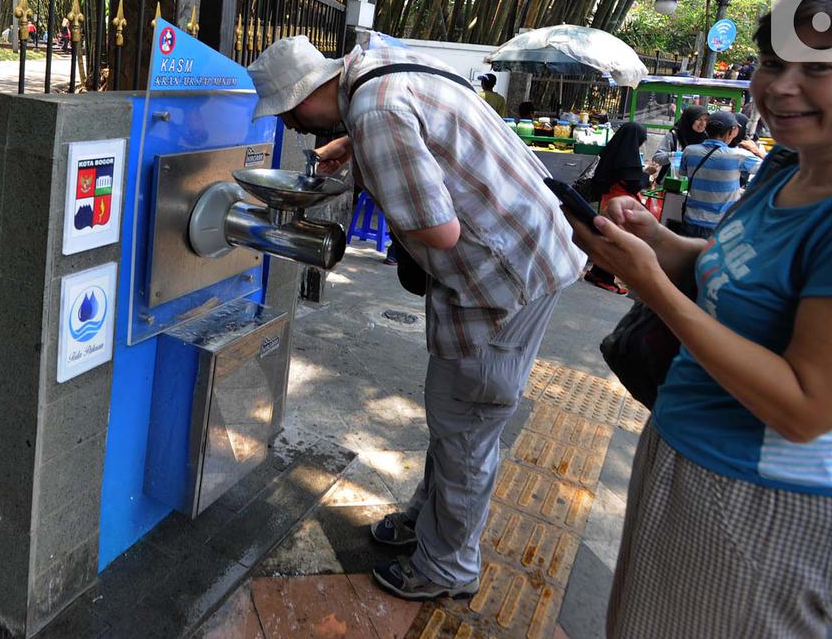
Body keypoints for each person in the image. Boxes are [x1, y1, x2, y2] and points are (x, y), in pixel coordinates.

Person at [567, 0, 832, 637]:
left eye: (819, 66)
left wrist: (652, 286)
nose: (780, 85)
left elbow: (805, 408)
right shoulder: (788, 165)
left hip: (765, 505)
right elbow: (725, 270)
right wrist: (655, 241)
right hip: (684, 451)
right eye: (773, 61)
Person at [247, 36, 586, 601]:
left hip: (502, 276)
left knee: (467, 420)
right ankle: (429, 522)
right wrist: (355, 150)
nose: (293, 128)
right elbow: (428, 129)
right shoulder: (379, 63)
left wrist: (375, 176)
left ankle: (449, 566)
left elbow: (439, 231)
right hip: (528, 245)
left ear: (307, 95)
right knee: (453, 410)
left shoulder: (373, 110)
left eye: (288, 114)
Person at [583, 122, 648, 295]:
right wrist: (647, 175)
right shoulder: (628, 158)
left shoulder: (613, 151)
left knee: (609, 237)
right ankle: (605, 278)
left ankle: (596, 272)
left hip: (608, 199)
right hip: (621, 204)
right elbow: (634, 183)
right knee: (616, 242)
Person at [675, 110, 761, 239]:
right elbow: (771, 167)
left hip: (690, 220)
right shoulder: (739, 156)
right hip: (720, 226)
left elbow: (682, 173)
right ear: (732, 131)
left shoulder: (689, 151)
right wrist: (756, 151)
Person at [650, 105, 708, 180]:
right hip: (672, 182)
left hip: (695, 184)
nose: (703, 123)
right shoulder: (675, 135)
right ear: (690, 119)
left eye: (706, 120)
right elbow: (656, 158)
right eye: (699, 119)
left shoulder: (706, 139)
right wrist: (675, 155)